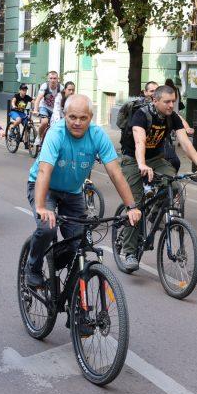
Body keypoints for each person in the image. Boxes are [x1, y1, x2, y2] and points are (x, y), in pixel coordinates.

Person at [25, 94, 141, 288]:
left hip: (72, 192)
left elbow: (115, 173)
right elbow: (44, 171)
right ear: (64, 115)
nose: (77, 123)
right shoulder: (56, 133)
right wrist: (41, 207)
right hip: (45, 188)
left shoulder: (97, 135)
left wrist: (131, 206)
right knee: (47, 227)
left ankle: (57, 267)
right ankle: (33, 267)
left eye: (83, 118)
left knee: (79, 242)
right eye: (72, 117)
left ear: (91, 117)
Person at [118, 85, 197, 272]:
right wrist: (142, 164)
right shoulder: (141, 115)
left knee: (174, 185)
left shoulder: (172, 118)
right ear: (155, 100)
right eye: (167, 102)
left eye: (173, 102)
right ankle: (128, 252)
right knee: (134, 205)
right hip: (133, 159)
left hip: (155, 159)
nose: (171, 105)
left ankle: (153, 213)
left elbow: (184, 142)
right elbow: (139, 141)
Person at [33, 71, 61, 146]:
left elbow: (65, 99)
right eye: (51, 78)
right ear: (48, 79)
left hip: (54, 109)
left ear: (58, 79)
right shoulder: (45, 86)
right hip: (44, 107)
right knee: (45, 122)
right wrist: (35, 110)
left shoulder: (60, 88)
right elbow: (38, 99)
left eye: (55, 78)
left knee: (56, 126)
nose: (53, 80)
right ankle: (39, 137)